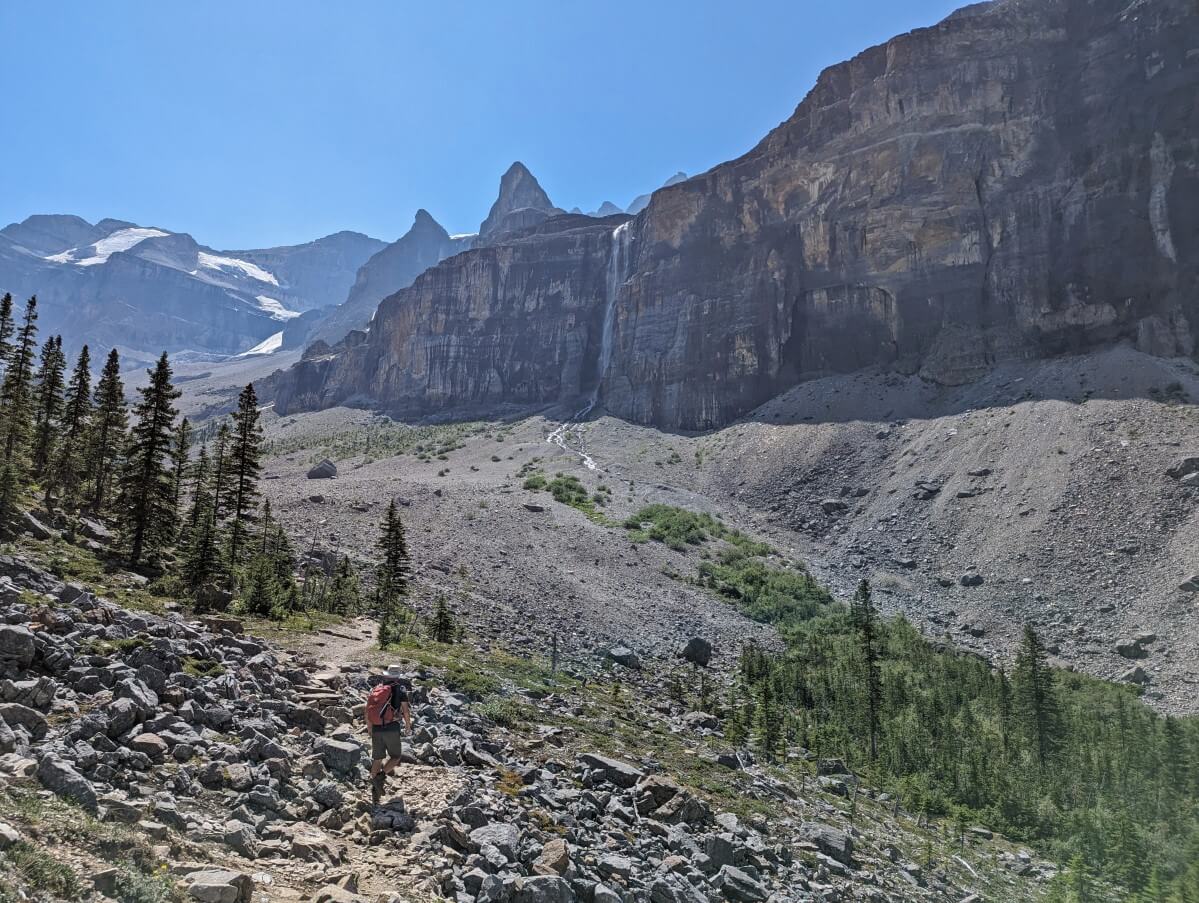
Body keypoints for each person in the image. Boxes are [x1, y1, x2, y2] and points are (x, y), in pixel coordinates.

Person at [366, 664, 412, 804]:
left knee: (377, 758)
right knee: (396, 757)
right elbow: (405, 710)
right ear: (398, 676)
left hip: (376, 727)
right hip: (392, 726)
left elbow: (367, 709)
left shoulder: (377, 689)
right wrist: (408, 726)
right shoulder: (400, 689)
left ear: (387, 675)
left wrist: (369, 728)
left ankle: (375, 791)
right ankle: (380, 777)